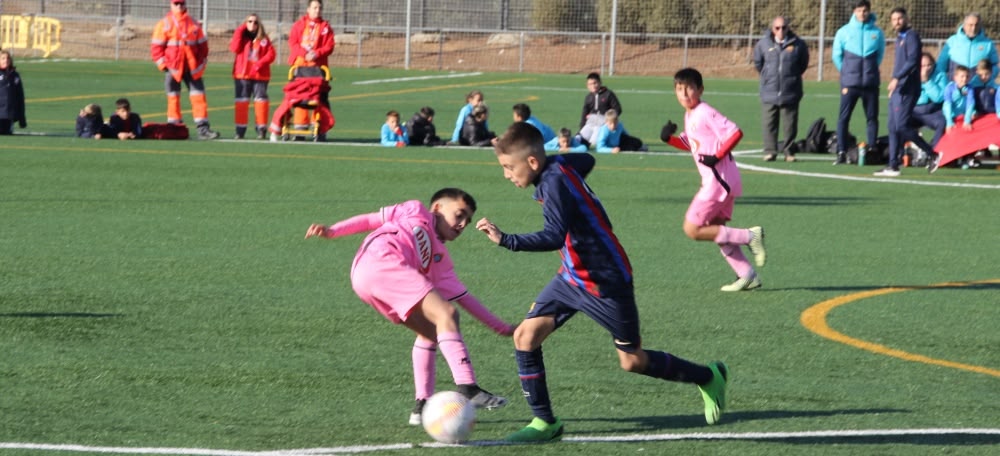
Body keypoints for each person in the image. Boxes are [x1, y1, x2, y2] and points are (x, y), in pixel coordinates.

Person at [475, 122, 729, 443]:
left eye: (509, 167)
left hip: (605, 281)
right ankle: (545, 422)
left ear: (533, 163)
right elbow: (587, 161)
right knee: (525, 337)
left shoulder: (553, 184)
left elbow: (554, 235)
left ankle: (709, 376)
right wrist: (562, 166)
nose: (506, 174)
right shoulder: (558, 166)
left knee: (632, 360)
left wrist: (506, 240)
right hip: (571, 277)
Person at [304, 188, 514, 426]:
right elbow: (371, 219)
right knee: (447, 314)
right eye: (459, 215)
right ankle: (468, 387)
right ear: (436, 209)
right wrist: (333, 231)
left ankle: (421, 405)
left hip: (366, 278)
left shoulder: (440, 261)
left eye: (468, 220)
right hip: (378, 259)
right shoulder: (415, 210)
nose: (463, 224)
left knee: (431, 331)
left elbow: (466, 299)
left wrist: (502, 328)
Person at [660, 68, 767, 292]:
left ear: (700, 89)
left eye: (689, 88)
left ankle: (750, 236)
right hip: (723, 180)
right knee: (717, 230)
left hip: (717, 182)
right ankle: (747, 275)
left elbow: (735, 133)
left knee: (692, 228)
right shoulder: (690, 114)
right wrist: (669, 139)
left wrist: (716, 157)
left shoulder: (704, 111)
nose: (684, 93)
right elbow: (691, 144)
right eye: (679, 89)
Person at [876, 7, 934, 177]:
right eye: (894, 20)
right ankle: (893, 165)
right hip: (899, 90)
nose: (897, 22)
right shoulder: (899, 38)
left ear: (906, 18)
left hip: (909, 89)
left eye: (900, 18)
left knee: (901, 125)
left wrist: (896, 78)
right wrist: (895, 86)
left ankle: (932, 153)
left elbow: (912, 61)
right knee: (892, 127)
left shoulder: (912, 36)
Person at [150, 0, 220, 140]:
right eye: (176, 4)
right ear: (171, 5)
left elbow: (203, 47)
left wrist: (201, 64)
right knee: (173, 98)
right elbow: (156, 48)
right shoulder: (165, 24)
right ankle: (174, 128)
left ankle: (203, 129)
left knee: (198, 97)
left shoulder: (193, 23)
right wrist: (164, 65)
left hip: (192, 68)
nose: (179, 6)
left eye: (181, 3)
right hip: (173, 67)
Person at [831, 0, 885, 165]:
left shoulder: (876, 32)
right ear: (854, 11)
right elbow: (836, 56)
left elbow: (880, 55)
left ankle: (872, 149)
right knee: (844, 118)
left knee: (872, 118)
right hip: (850, 84)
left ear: (869, 11)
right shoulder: (844, 32)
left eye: (865, 10)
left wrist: (870, 71)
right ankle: (841, 151)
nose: (862, 13)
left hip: (870, 84)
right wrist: (846, 72)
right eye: (859, 10)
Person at [752, 16, 809, 162]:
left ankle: (789, 152)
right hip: (769, 91)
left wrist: (791, 78)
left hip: (790, 91)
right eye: (778, 28)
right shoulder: (763, 44)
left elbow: (803, 64)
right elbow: (759, 64)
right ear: (773, 29)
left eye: (784, 27)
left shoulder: (798, 44)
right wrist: (768, 77)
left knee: (790, 125)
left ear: (788, 28)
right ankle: (770, 151)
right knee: (769, 124)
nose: (781, 31)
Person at [288, 0, 335, 128]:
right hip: (300, 66)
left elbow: (329, 46)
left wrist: (317, 53)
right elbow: (293, 43)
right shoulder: (299, 25)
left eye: (319, 8)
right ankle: (300, 126)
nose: (317, 10)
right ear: (308, 9)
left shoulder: (325, 27)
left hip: (318, 68)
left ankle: (319, 126)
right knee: (300, 96)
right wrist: (304, 54)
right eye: (314, 7)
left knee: (319, 98)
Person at [230, 13, 276, 140]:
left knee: (261, 102)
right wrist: (240, 30)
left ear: (259, 24)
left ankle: (261, 129)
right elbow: (234, 48)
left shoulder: (264, 39)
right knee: (241, 102)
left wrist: (260, 64)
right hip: (242, 75)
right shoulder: (241, 36)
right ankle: (240, 131)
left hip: (259, 75)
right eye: (249, 21)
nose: (252, 24)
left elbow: (271, 54)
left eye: (255, 22)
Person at [936, 13, 998, 88]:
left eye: (976, 25)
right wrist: (944, 84)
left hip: (979, 88)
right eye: (970, 25)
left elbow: (995, 65)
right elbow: (941, 66)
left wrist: (987, 78)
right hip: (956, 88)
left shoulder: (988, 44)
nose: (973, 28)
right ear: (964, 25)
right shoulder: (952, 41)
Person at [912, 52, 948, 156]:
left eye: (929, 65)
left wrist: (927, 81)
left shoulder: (940, 75)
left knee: (943, 122)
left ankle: (933, 152)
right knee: (900, 123)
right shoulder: (912, 74)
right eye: (923, 66)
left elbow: (939, 97)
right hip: (914, 111)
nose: (926, 68)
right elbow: (914, 98)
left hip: (933, 112)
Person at [577, 72, 622, 146]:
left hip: (602, 124)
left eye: (595, 83)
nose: (593, 86)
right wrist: (581, 128)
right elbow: (584, 114)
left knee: (594, 143)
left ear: (600, 82)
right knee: (578, 139)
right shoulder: (588, 97)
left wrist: (609, 120)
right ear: (587, 86)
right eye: (590, 84)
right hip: (590, 123)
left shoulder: (608, 94)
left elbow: (618, 109)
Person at [0, 49, 27, 135]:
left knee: (6, 133)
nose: (6, 60)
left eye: (8, 58)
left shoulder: (15, 76)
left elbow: (20, 97)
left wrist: (22, 119)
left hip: (9, 115)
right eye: (3, 58)